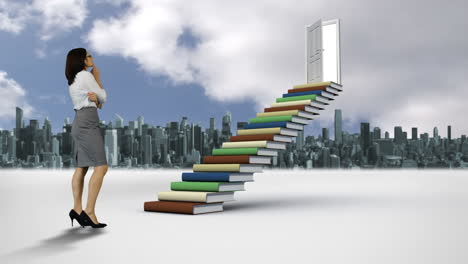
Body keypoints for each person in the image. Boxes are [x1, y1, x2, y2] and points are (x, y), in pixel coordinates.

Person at [65, 48, 108, 228]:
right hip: (87, 123)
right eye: (89, 56)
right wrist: (97, 77)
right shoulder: (85, 76)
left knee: (82, 167)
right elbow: (104, 97)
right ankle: (89, 211)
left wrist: (96, 100)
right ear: (82, 60)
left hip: (80, 120)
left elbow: (98, 103)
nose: (92, 58)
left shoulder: (74, 78)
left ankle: (77, 209)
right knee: (101, 166)